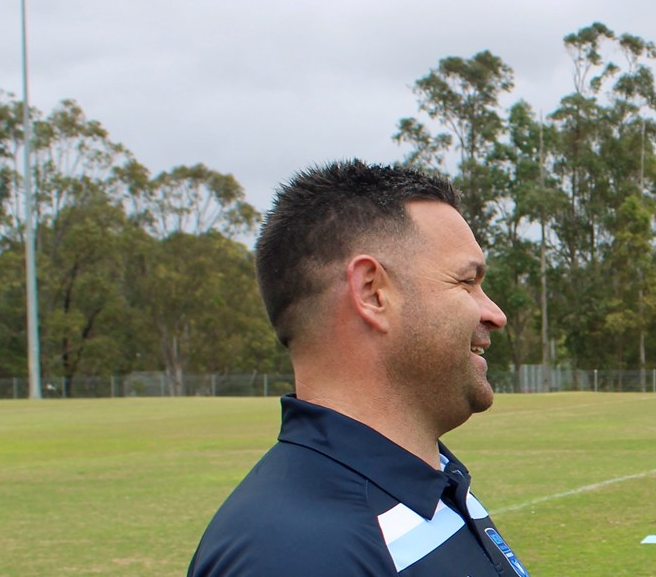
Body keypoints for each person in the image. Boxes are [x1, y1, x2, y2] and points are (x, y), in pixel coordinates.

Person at [190, 160, 529, 576]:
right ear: (371, 292)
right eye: (466, 282)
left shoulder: (430, 483)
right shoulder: (296, 553)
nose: (495, 313)